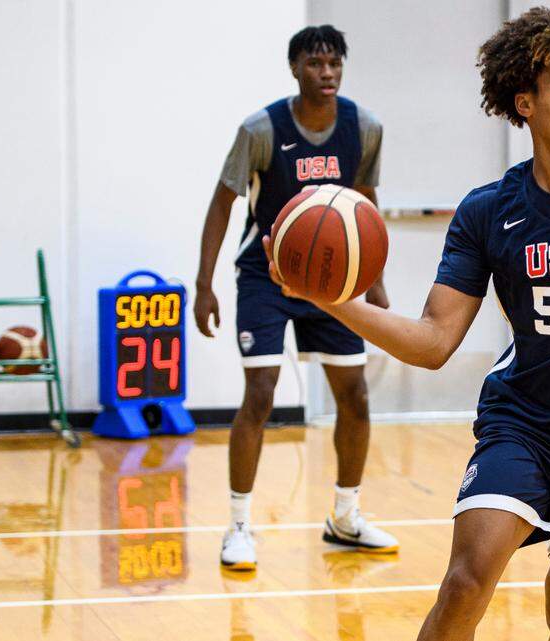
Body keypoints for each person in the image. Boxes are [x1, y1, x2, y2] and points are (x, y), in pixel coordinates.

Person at [264, 8, 550, 639]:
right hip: (522, 423)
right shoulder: (489, 212)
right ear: (525, 104)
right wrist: (328, 300)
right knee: (465, 581)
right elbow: (432, 343)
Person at [194, 24, 397, 571]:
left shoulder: (364, 127)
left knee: (353, 394)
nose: (326, 73)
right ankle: (238, 525)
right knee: (260, 392)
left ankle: (346, 517)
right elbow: (222, 204)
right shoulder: (261, 129)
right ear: (295, 69)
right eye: (315, 64)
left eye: (334, 64)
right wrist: (204, 284)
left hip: (332, 279)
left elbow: (364, 205)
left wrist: (374, 280)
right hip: (266, 274)